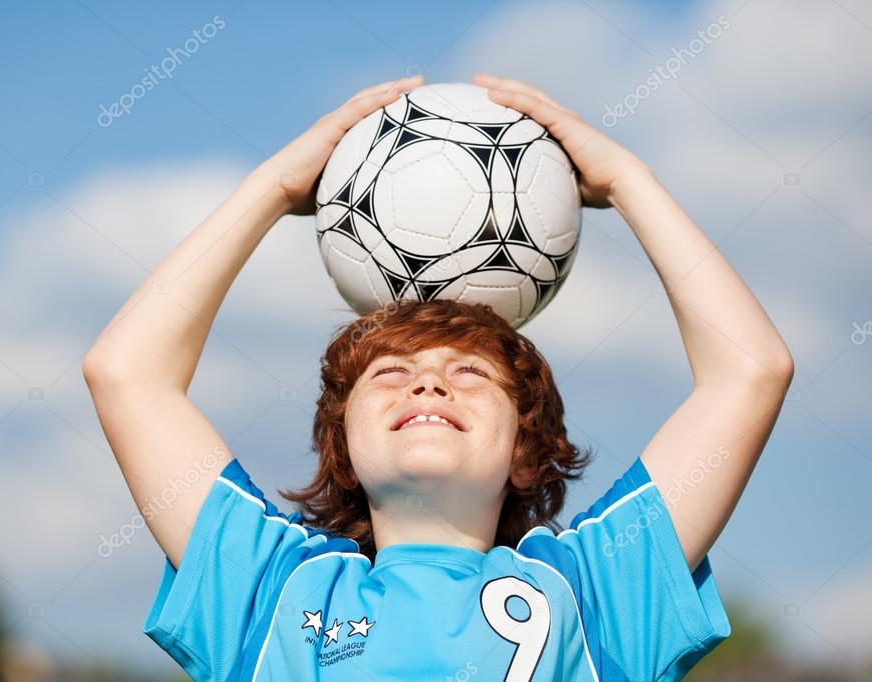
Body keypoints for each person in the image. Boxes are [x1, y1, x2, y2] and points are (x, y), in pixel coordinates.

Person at [82, 73, 794, 681]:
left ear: (523, 449)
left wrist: (628, 180)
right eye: (390, 373)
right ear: (343, 448)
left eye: (469, 373)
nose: (428, 385)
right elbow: (125, 373)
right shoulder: (272, 589)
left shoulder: (598, 591)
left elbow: (750, 370)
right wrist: (269, 188)